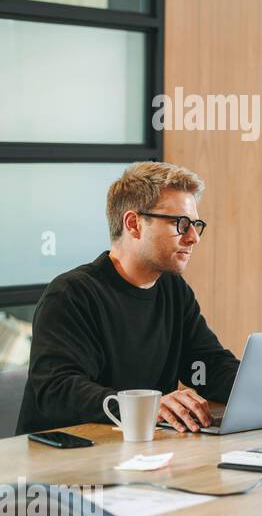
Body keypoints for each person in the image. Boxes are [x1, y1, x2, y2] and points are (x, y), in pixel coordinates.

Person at [17, 162, 239, 434]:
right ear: (133, 224)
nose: (193, 238)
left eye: (196, 225)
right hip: (64, 459)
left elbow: (206, 366)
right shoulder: (71, 294)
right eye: (181, 224)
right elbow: (58, 390)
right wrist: (144, 406)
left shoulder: (173, 290)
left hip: (139, 451)